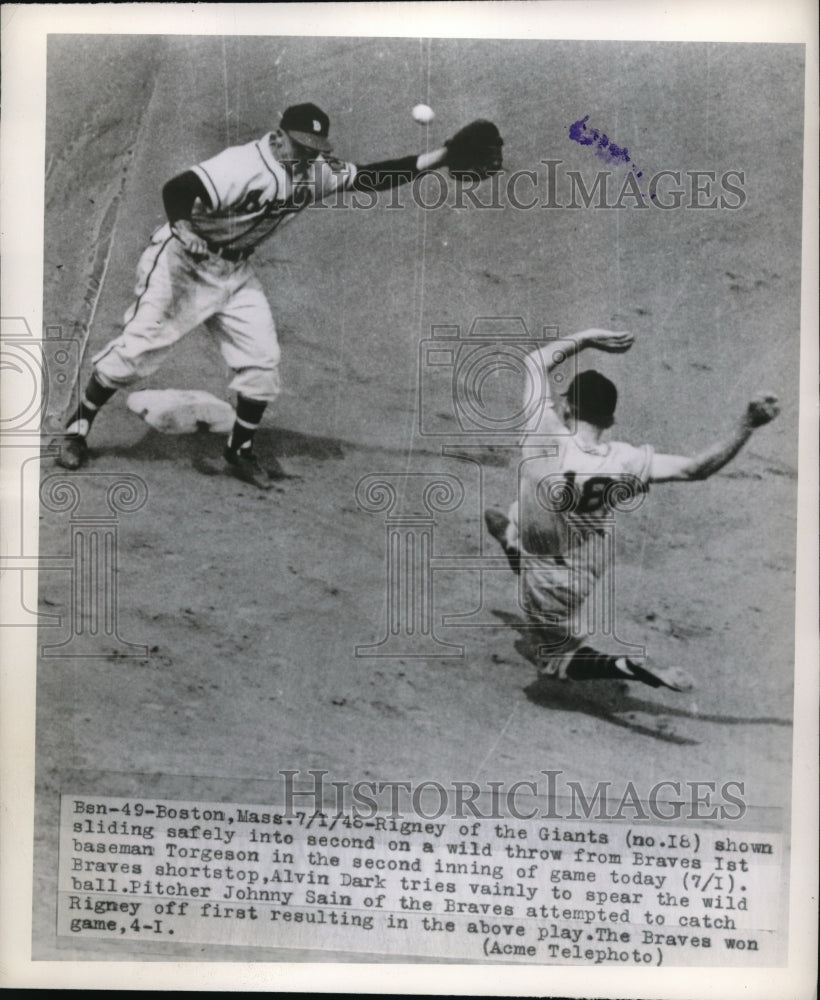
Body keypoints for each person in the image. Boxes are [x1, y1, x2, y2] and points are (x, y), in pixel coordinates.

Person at [55, 103, 491, 489]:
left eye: (314, 148)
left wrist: (442, 157)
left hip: (235, 273)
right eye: (299, 146)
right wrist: (185, 229)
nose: (307, 156)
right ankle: (77, 427)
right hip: (181, 266)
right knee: (136, 351)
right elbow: (178, 188)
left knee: (262, 362)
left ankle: (239, 451)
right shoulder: (241, 165)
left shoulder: (314, 170)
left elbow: (372, 176)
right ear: (278, 136)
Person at [484, 327, 780, 692]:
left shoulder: (544, 430)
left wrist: (588, 337)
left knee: (555, 658)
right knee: (524, 512)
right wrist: (747, 425)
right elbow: (696, 469)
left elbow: (534, 362)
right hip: (584, 565)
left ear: (567, 407)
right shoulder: (624, 459)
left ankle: (637, 669)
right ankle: (514, 539)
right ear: (608, 421)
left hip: (549, 578)